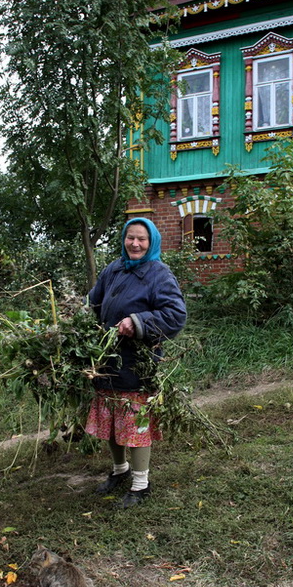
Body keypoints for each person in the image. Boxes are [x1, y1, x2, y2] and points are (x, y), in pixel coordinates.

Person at [85, 217, 187, 508]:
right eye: (130, 237)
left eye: (141, 239)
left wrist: (138, 321)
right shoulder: (113, 269)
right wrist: (76, 317)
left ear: (151, 242)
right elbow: (94, 302)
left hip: (136, 363)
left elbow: (175, 315)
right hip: (106, 360)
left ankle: (141, 484)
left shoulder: (159, 274)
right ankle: (120, 471)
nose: (135, 244)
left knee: (135, 423)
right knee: (111, 420)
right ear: (123, 239)